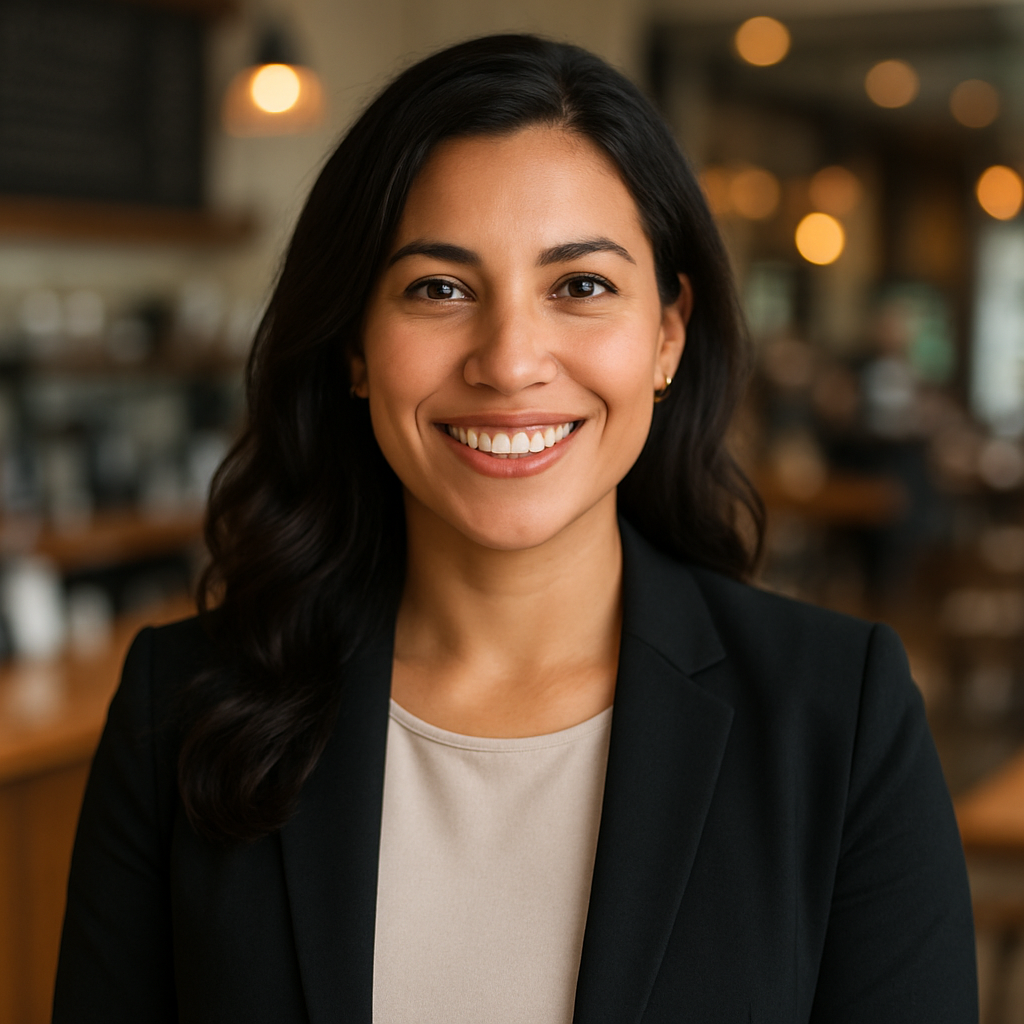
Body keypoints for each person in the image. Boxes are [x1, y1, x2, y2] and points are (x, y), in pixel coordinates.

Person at [53, 34, 977, 1024]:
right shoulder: (180, 708)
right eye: (439, 288)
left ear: (666, 334)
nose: (509, 361)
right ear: (355, 343)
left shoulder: (839, 718)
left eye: (580, 286)